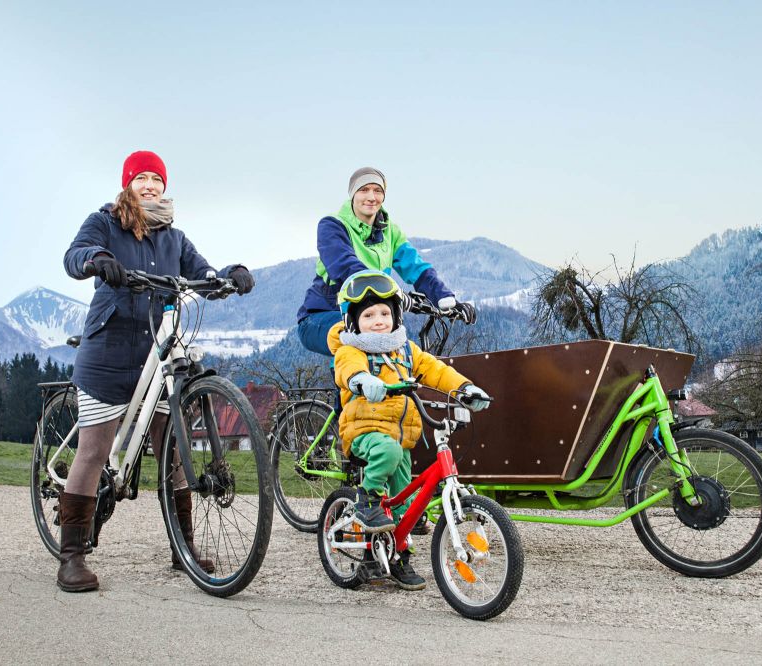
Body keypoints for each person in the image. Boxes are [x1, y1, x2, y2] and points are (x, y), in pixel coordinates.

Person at [57, 150, 254, 593]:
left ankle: (183, 549)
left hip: (158, 354)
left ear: (165, 186)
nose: (149, 185)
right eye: (141, 178)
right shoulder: (105, 222)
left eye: (156, 179)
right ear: (128, 184)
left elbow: (202, 272)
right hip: (109, 351)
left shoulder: (174, 238)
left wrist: (229, 275)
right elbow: (75, 255)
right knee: (93, 451)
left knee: (173, 450)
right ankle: (71, 557)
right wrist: (96, 260)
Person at [328, 270, 490, 590]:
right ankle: (366, 500)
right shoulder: (351, 350)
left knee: (406, 503)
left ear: (396, 316)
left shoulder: (405, 350)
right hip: (364, 430)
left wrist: (464, 388)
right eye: (368, 315)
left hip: (401, 436)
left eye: (384, 313)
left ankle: (398, 556)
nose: (378, 321)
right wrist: (363, 381)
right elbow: (347, 370)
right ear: (353, 321)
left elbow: (435, 370)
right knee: (386, 452)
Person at [296, 167, 477, 357]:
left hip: (369, 318)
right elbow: (345, 266)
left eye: (378, 190)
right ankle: (352, 377)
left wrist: (445, 297)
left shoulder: (390, 232)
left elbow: (416, 268)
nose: (371, 197)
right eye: (364, 190)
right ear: (353, 194)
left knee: (404, 353)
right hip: (319, 318)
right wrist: (391, 292)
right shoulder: (332, 226)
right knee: (365, 338)